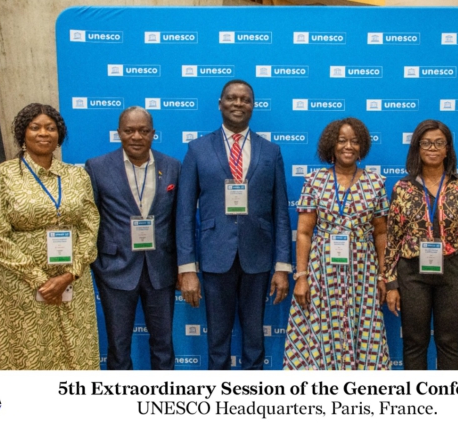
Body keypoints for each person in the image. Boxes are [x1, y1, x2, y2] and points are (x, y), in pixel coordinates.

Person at [176, 79, 292, 370]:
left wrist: (282, 266)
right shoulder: (198, 149)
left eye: (245, 99)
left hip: (258, 258)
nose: (238, 103)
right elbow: (185, 213)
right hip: (215, 257)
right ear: (220, 104)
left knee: (255, 341)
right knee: (217, 342)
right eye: (231, 98)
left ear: (253, 106)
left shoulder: (271, 151)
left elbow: (281, 213)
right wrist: (187, 268)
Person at [0, 103, 100, 370]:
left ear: (59, 135)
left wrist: (70, 274)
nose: (43, 133)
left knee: (75, 350)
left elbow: (90, 225)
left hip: (73, 282)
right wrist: (40, 280)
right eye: (35, 127)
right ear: (23, 133)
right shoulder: (0, 176)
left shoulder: (76, 176)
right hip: (22, 284)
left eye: (50, 128)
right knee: (27, 351)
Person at [284, 117, 390, 370]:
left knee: (363, 329)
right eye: (342, 140)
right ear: (331, 144)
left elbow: (381, 233)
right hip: (322, 272)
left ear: (362, 146)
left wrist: (382, 275)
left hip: (363, 272)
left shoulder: (376, 183)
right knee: (321, 329)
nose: (348, 146)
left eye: (354, 141)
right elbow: (304, 233)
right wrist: (301, 276)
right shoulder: (314, 181)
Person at [382, 119, 458, 370]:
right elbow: (393, 239)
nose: (433, 148)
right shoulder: (402, 188)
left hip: (454, 272)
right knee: (414, 342)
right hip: (412, 273)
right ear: (417, 148)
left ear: (448, 149)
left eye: (439, 143)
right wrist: (391, 282)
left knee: (449, 342)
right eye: (426, 143)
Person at [85, 106, 180, 370]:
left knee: (163, 344)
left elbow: (180, 221)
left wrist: (183, 266)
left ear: (153, 133)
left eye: (143, 130)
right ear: (119, 133)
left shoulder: (172, 167)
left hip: (161, 269)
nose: (136, 136)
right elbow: (89, 219)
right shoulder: (97, 167)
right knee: (118, 346)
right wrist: (96, 263)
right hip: (115, 269)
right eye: (129, 130)